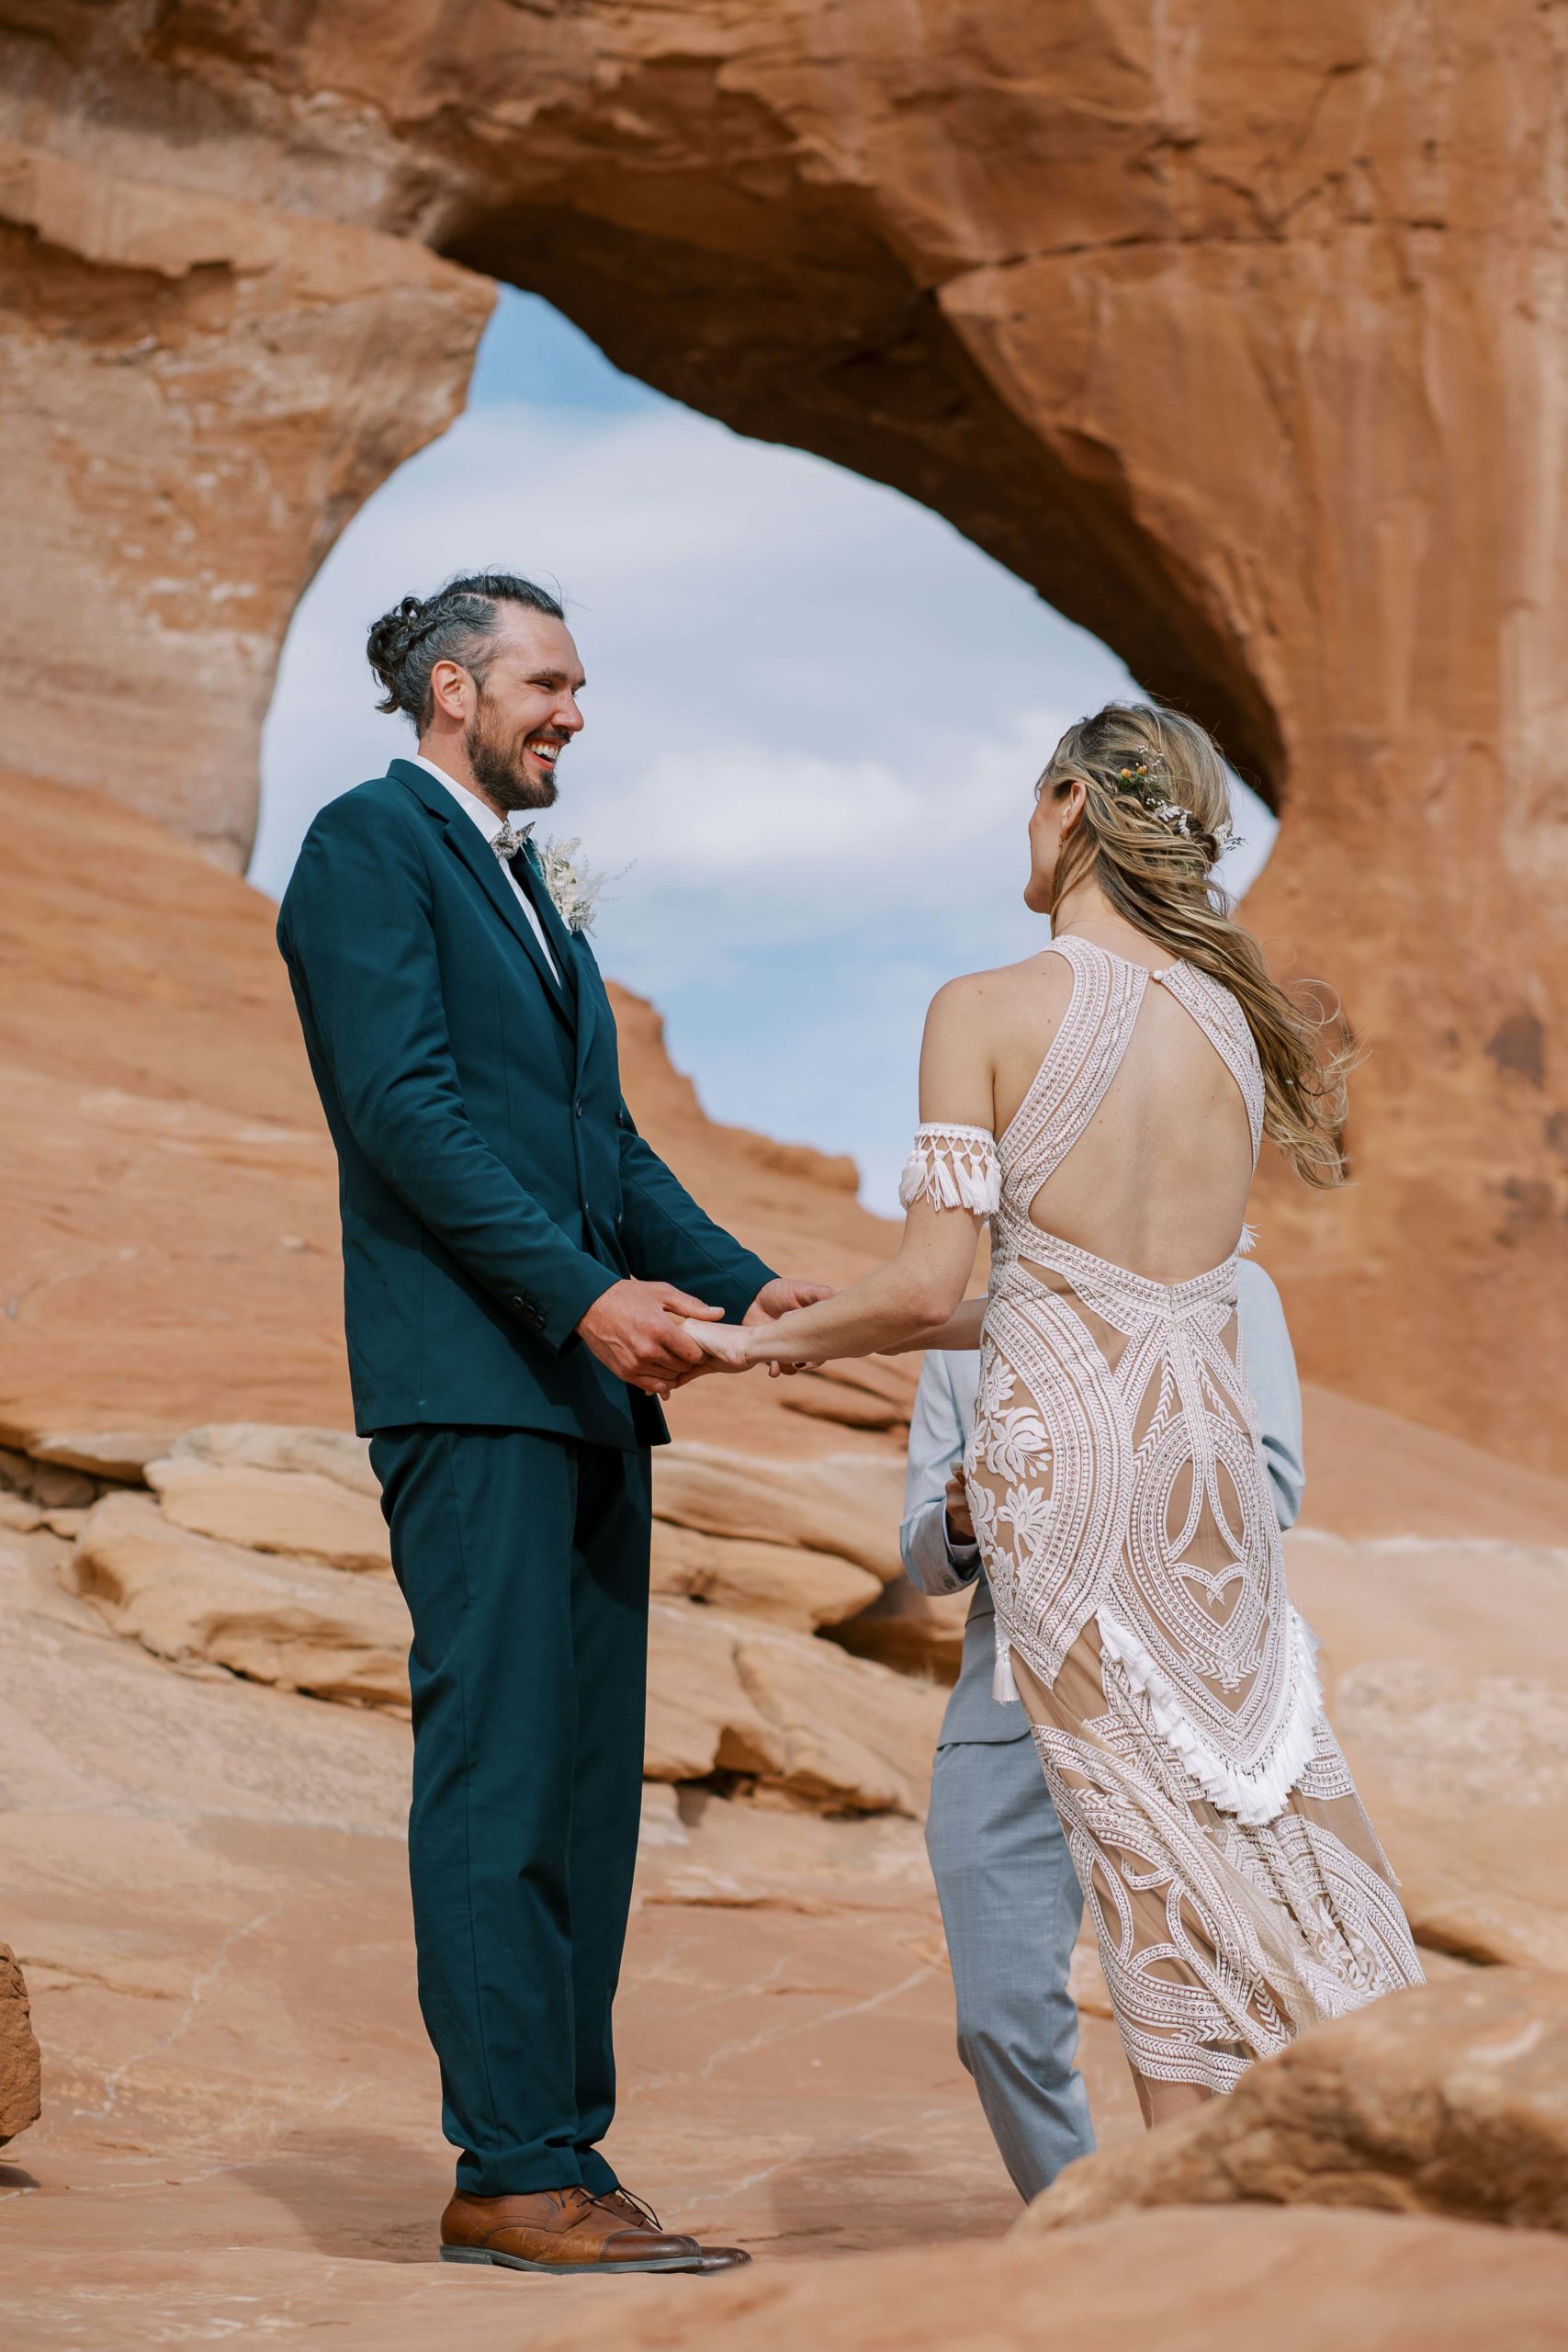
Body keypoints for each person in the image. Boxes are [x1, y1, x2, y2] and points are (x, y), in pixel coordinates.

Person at [687, 699, 1423, 2130]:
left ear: (1071, 804)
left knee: (1149, 1875)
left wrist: (729, 1349)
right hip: (1202, 1466)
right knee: (1260, 1822)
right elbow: (1115, 1288)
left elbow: (930, 1289)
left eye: (1032, 811)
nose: (1023, 839)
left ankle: (1198, 2266)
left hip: (1069, 1478)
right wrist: (828, 1318)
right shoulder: (1227, 1024)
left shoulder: (982, 1007)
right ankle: (1359, 2170)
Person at [276, 571, 826, 2276]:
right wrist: (581, 1298)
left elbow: (605, 1147)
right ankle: (507, 2172)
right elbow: (404, 1116)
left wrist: (751, 1293)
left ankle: (562, 2157)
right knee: (502, 1777)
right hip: (477, 1386)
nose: (574, 713)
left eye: (576, 687)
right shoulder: (369, 848)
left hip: (585, 1402)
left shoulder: (532, 895)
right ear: (453, 690)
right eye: (549, 683)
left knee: (585, 1796)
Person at [902, 1259, 1305, 2198]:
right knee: (996, 2015)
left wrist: (1085, 1469)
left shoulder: (1237, 1286)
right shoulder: (981, 1314)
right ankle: (1087, 2223)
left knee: (1211, 2004)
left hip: (1185, 1691)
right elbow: (924, 1553)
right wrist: (961, 1516)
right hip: (1008, 1696)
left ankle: (1221, 2239)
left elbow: (1274, 1488)